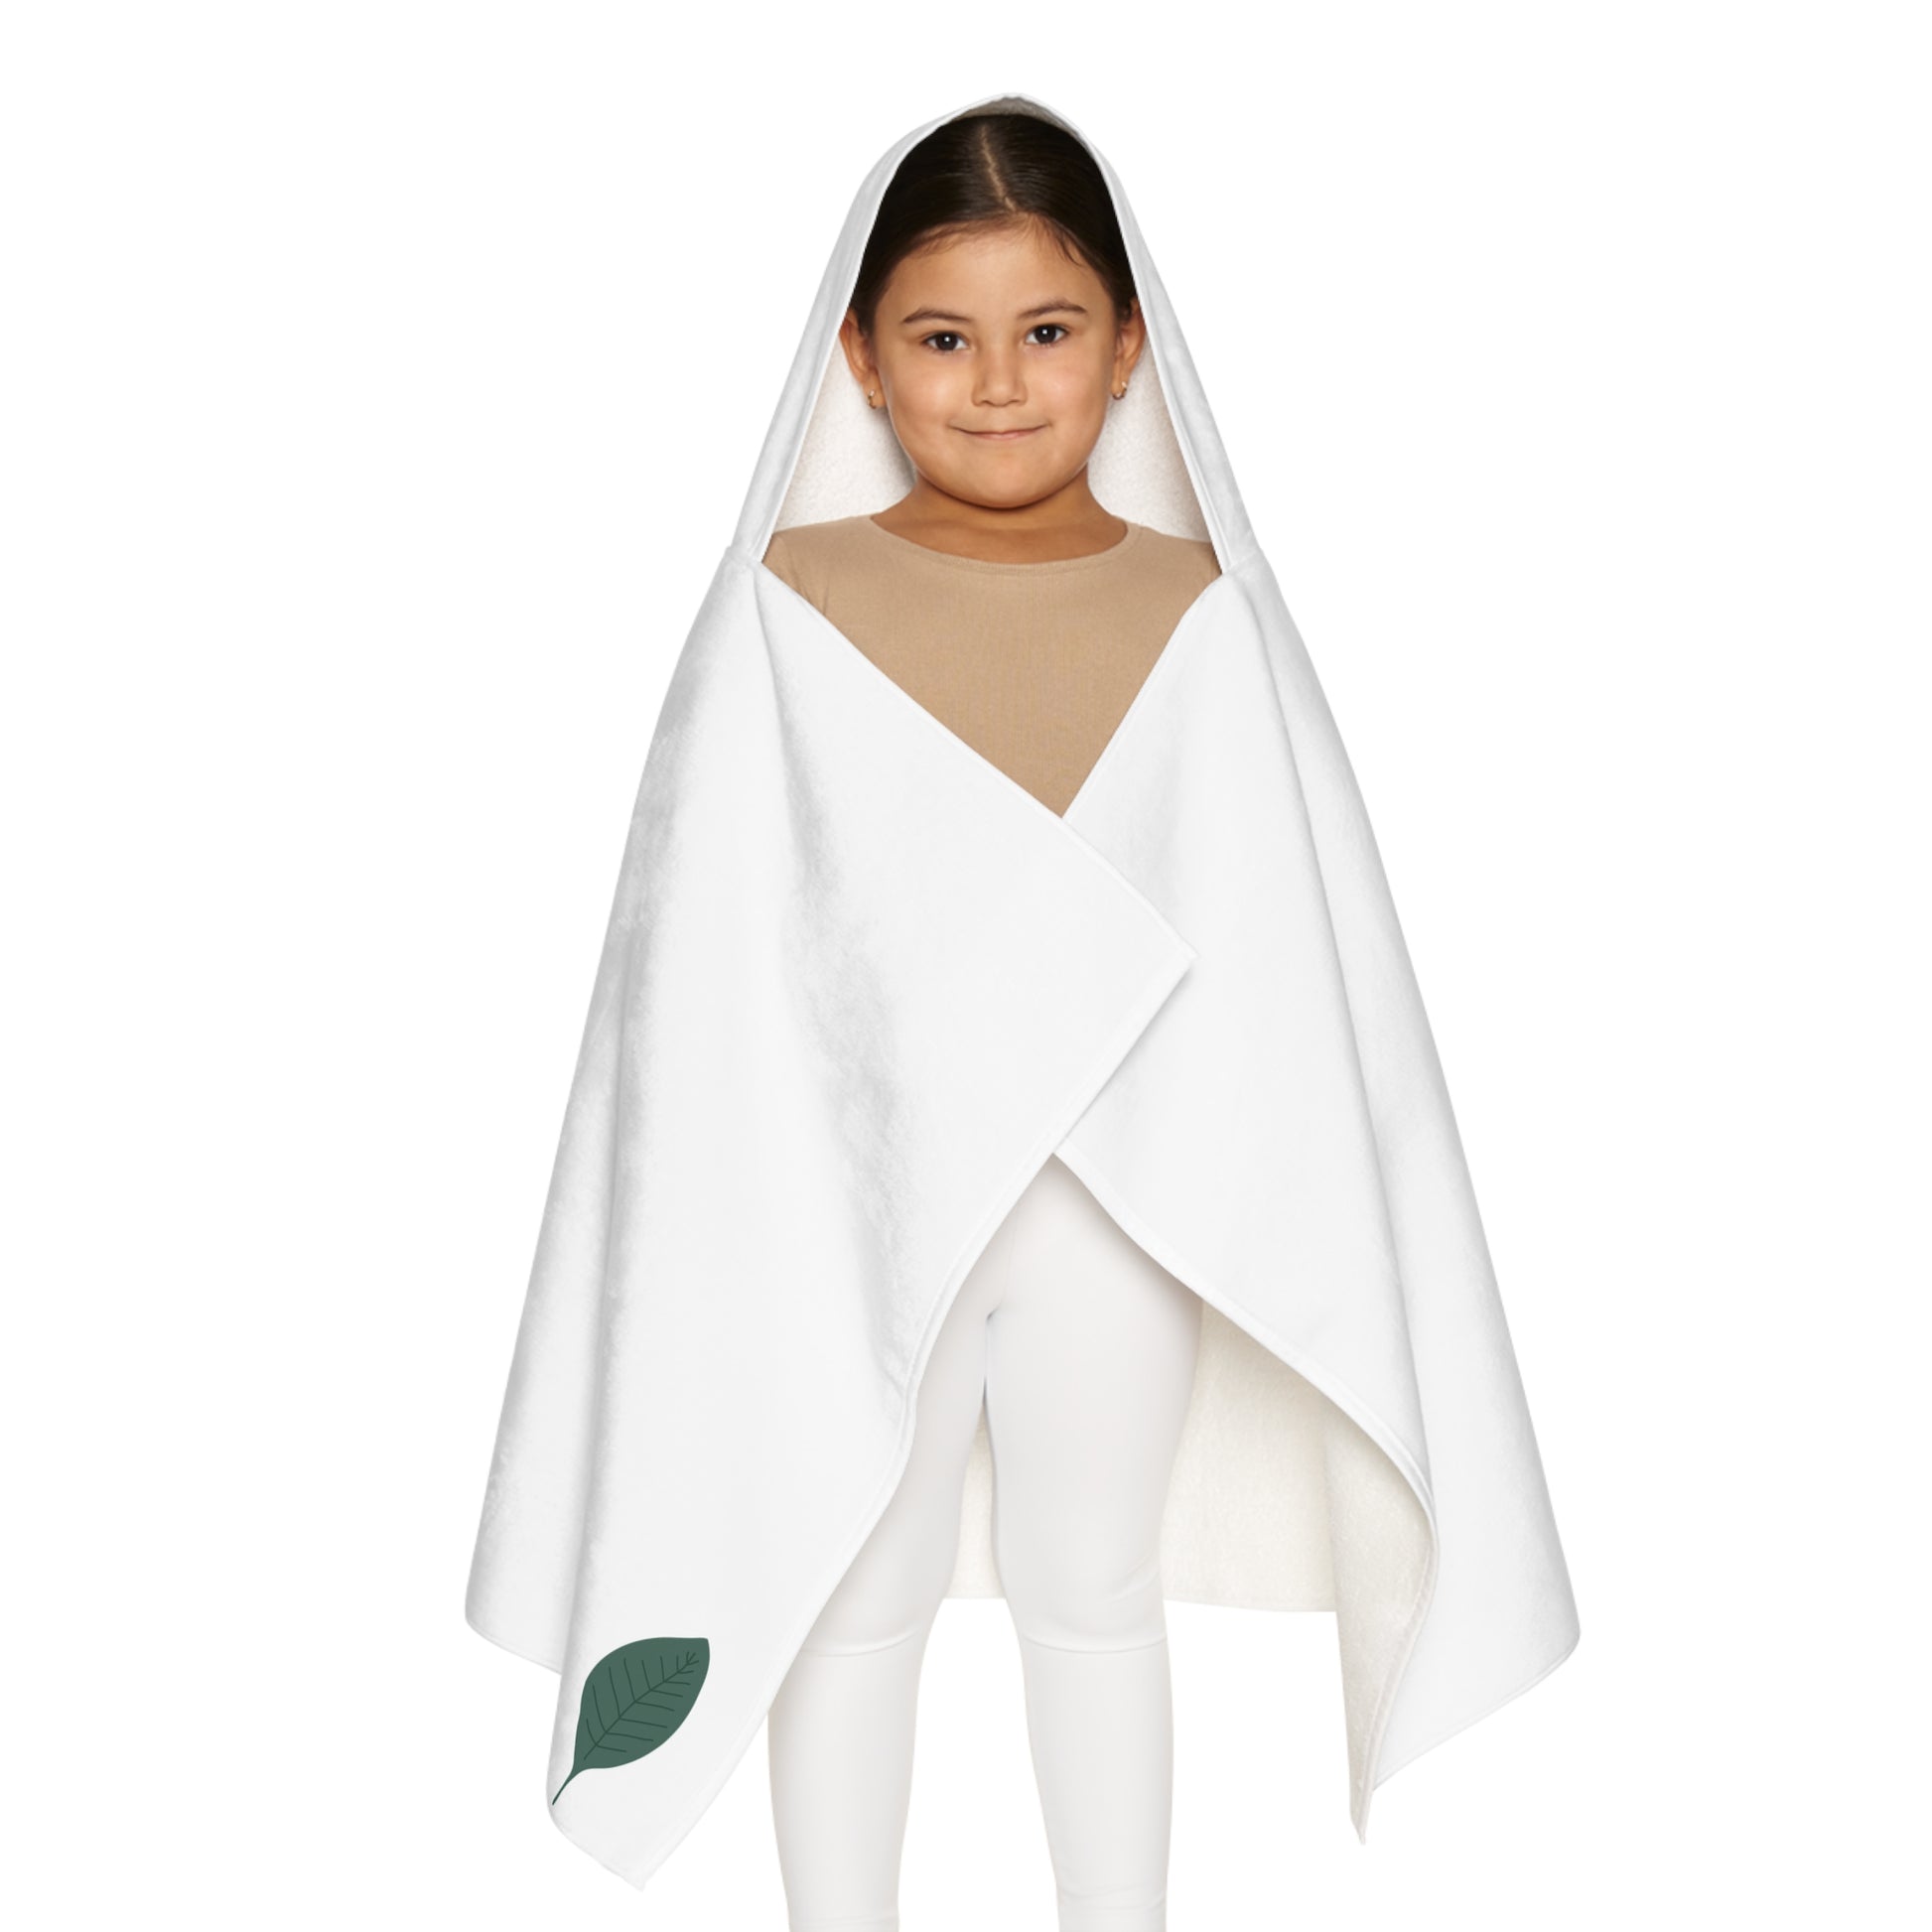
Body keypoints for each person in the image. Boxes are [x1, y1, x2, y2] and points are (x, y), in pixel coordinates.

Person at [759, 109, 1218, 1932]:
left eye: (1047, 330)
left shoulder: (1200, 610)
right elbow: (729, 925)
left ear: (1125, 343)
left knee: (1091, 1586)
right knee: (845, 1590)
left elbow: (1266, 924)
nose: (1002, 383)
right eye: (944, 337)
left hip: (1115, 1196)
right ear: (864, 357)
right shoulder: (793, 597)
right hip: (863, 1196)